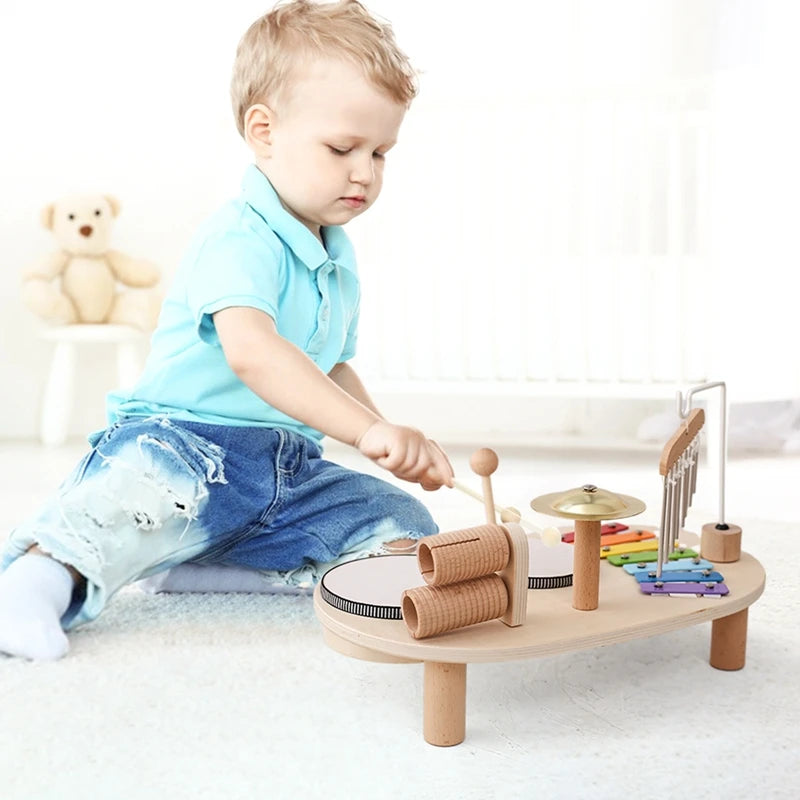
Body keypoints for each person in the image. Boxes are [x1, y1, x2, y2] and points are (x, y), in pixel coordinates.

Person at [0, 0, 453, 661]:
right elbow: (254, 353)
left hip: (286, 468)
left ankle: (213, 569)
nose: (366, 171)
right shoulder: (239, 236)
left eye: (381, 152)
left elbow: (327, 367)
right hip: (185, 444)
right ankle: (33, 583)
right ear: (264, 132)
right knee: (128, 506)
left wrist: (384, 438)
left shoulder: (337, 258)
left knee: (402, 527)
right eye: (343, 148)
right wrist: (367, 429)